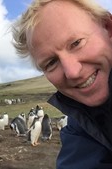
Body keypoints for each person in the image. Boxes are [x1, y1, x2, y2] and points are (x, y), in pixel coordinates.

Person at [11, 0, 112, 168]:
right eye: (51, 63)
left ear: (108, 28)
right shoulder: (80, 126)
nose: (72, 72)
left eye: (76, 43)